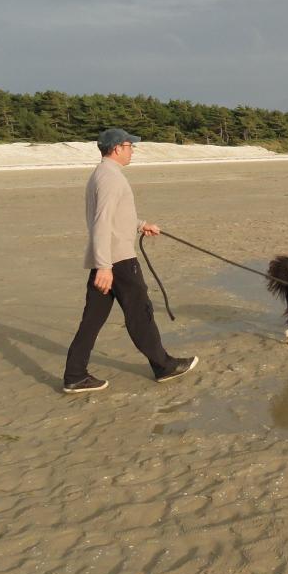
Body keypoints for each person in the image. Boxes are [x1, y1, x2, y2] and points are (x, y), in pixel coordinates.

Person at [63, 128, 198, 393]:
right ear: (116, 148)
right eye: (129, 146)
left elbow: (113, 218)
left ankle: (75, 375)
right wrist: (104, 266)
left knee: (91, 321)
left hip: (109, 258)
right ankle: (164, 366)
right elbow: (102, 222)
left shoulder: (103, 174)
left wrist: (140, 224)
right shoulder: (111, 178)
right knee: (141, 313)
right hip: (117, 261)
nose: (132, 150)